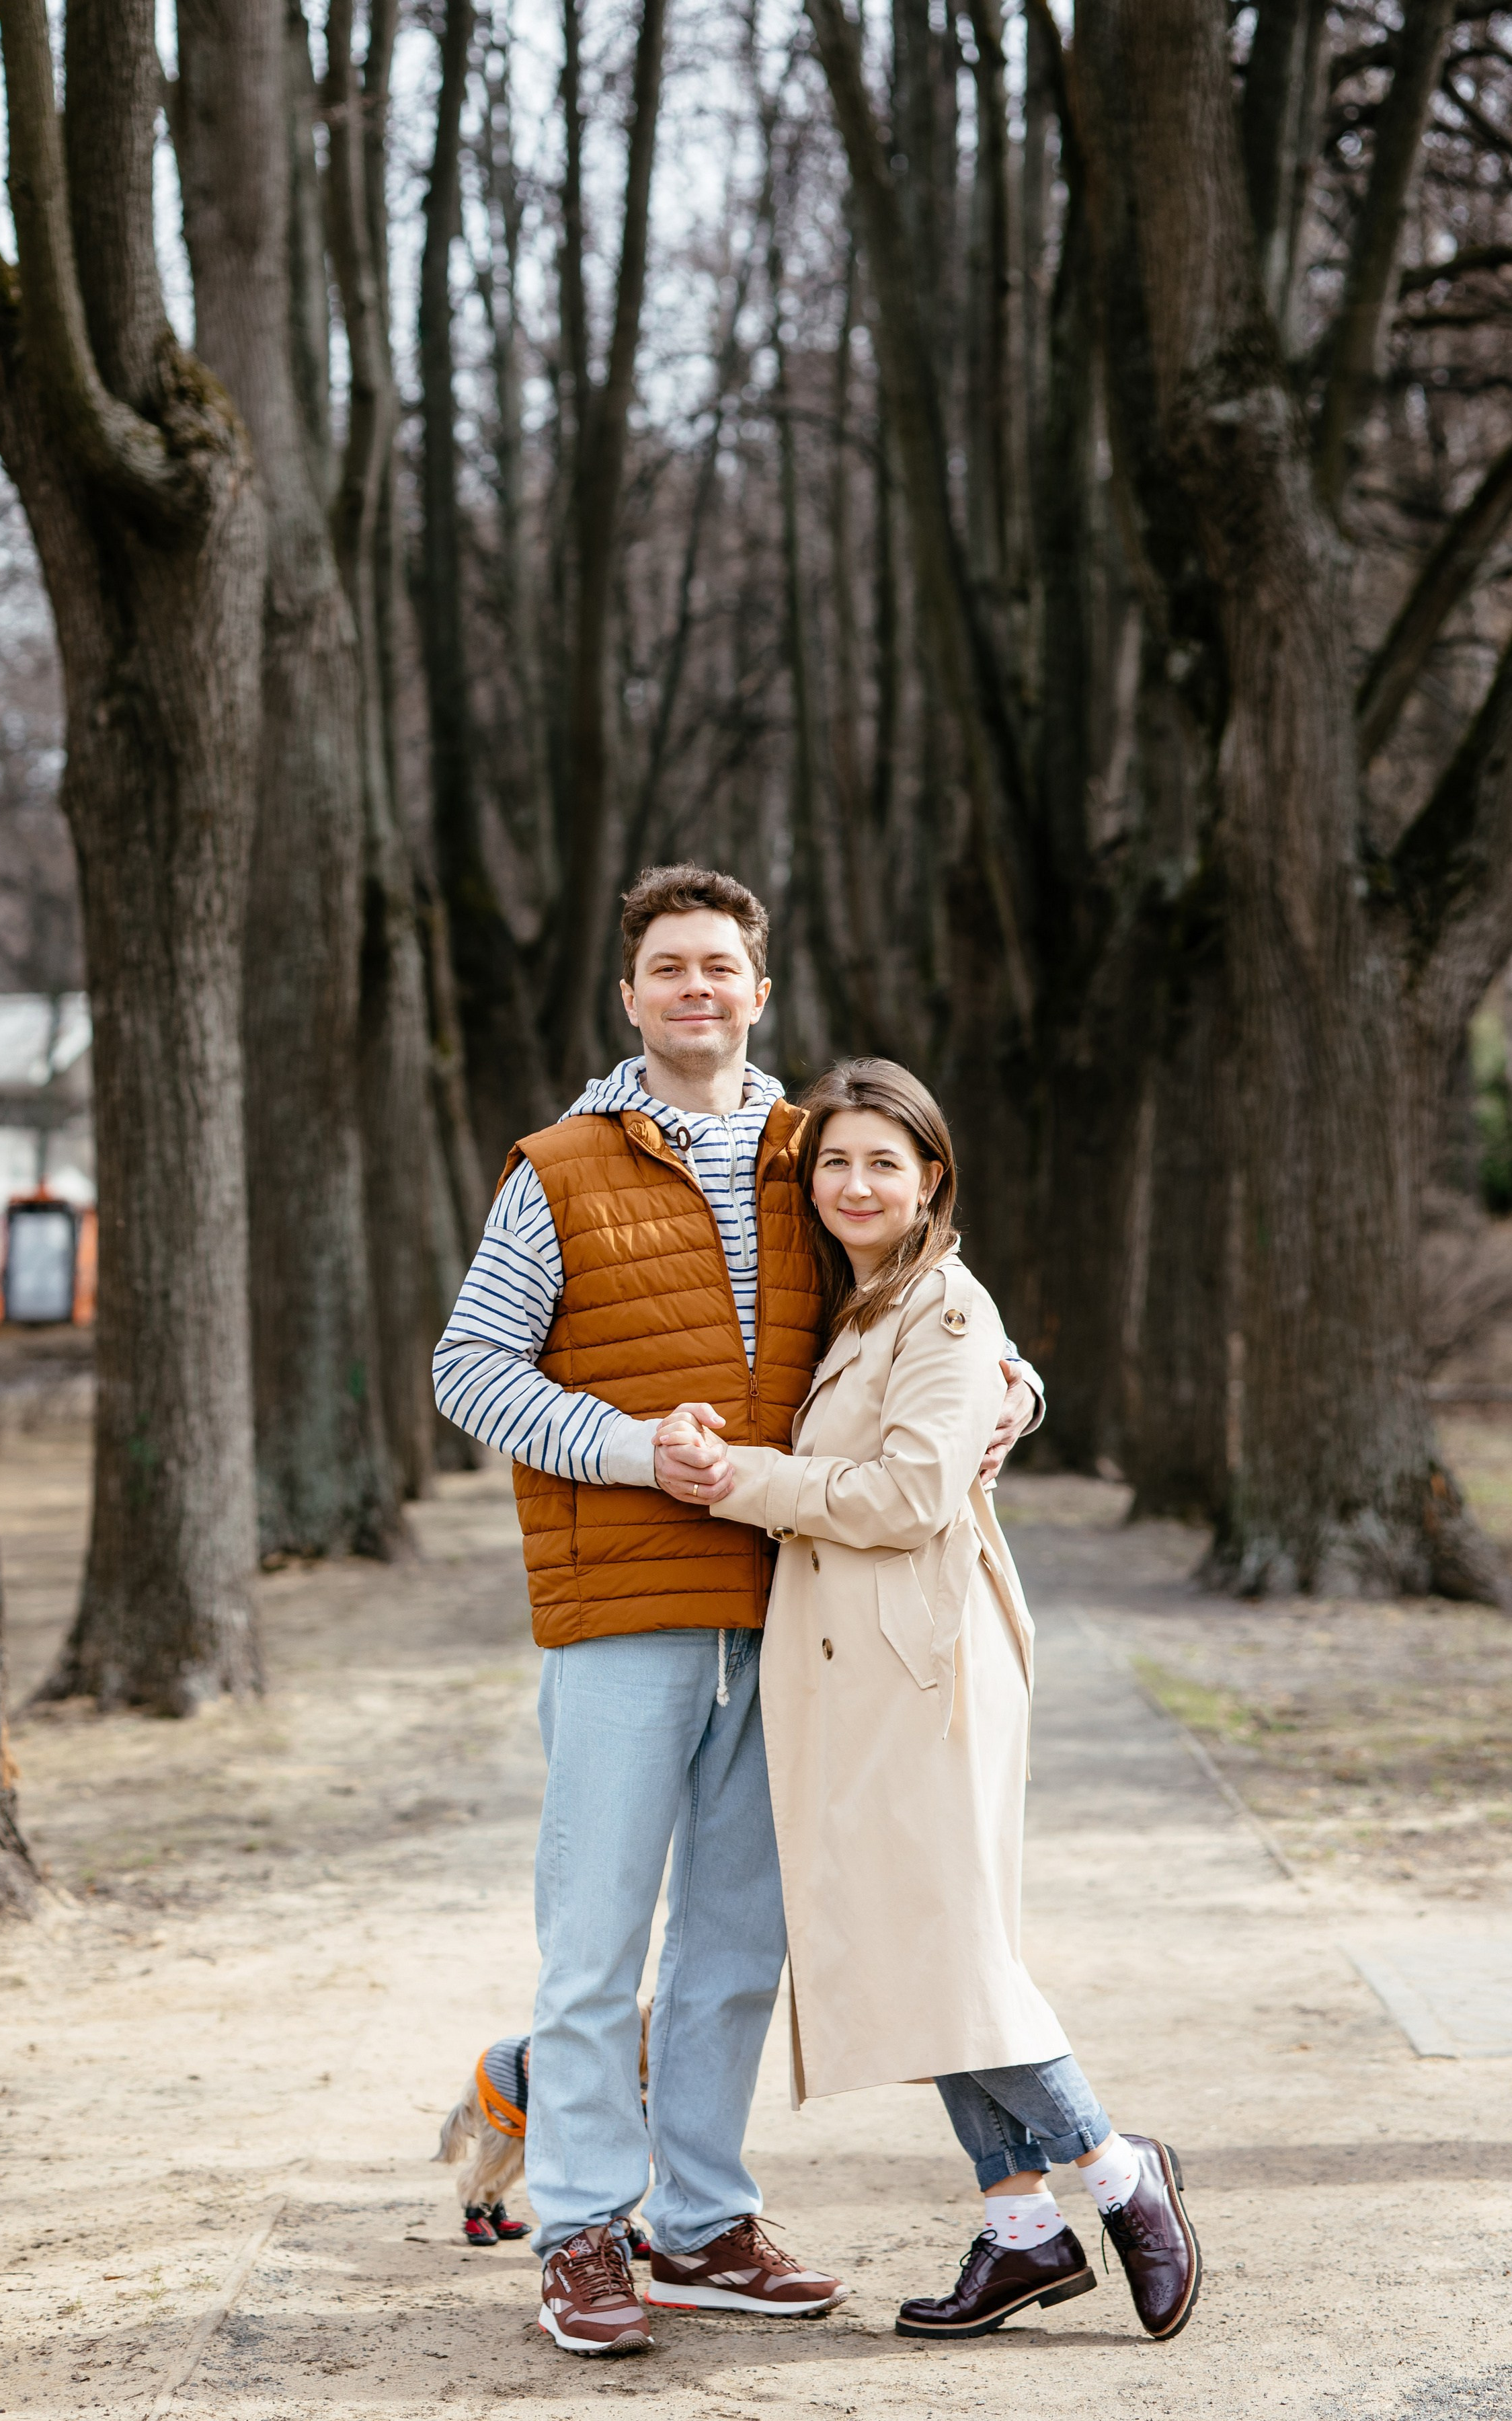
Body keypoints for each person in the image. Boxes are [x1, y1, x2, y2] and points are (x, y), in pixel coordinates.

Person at [431, 866, 1044, 2356]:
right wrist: (639, 1452)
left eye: (722, 967)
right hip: (626, 1607)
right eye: (668, 969)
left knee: (734, 1943)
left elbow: (934, 1305)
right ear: (629, 995)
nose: (697, 989)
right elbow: (469, 1370)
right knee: (593, 1946)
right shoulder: (555, 1170)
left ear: (761, 991)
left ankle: (699, 2221)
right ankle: (580, 2230)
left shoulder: (813, 1154)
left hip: (797, 1612)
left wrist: (1018, 1394)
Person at [655, 1057, 1202, 2345]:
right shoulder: (864, 1308)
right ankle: (1020, 2230)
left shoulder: (944, 1311)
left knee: (945, 1950)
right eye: (835, 1162)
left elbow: (906, 1498)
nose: (855, 1184)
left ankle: (1122, 2178)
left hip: (926, 1668)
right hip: (866, 1673)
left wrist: (739, 1479)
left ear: (931, 1181)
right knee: (913, 1949)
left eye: (882, 1164)